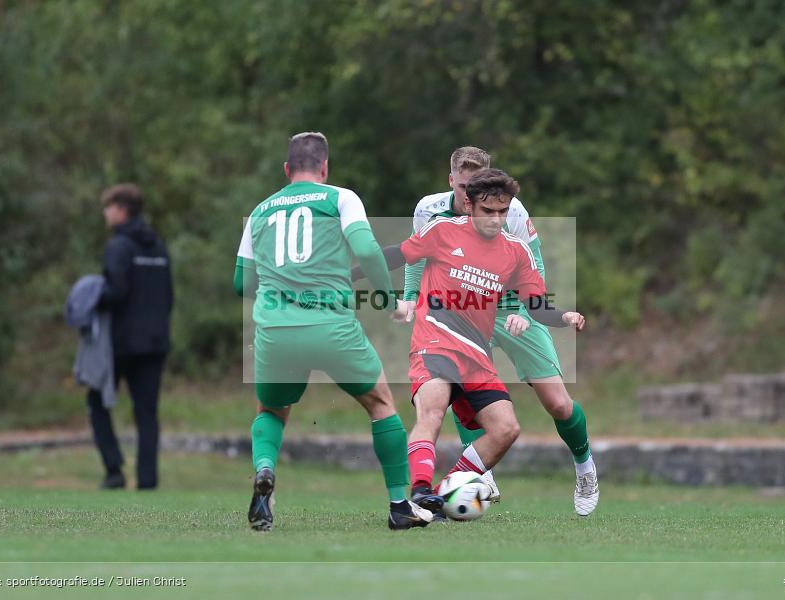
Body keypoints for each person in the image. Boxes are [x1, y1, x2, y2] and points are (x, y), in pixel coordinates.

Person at [354, 168, 586, 518]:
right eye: (488, 211)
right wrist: (346, 275)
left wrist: (564, 316)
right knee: (432, 408)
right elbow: (397, 255)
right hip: (435, 339)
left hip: (475, 354)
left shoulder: (516, 252)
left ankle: (437, 496)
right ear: (470, 205)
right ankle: (417, 490)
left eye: (502, 211)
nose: (495, 219)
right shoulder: (443, 230)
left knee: (506, 429)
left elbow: (537, 306)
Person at [233, 131, 433, 531]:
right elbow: (366, 249)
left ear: (287, 169)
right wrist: (391, 300)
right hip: (331, 326)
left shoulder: (260, 211)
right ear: (324, 167)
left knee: (271, 411)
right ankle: (399, 505)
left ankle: (266, 474)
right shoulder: (339, 197)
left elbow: (242, 283)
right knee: (380, 404)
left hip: (275, 331)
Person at [88, 183, 173, 490]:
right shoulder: (158, 246)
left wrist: (91, 297)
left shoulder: (118, 247)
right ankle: (148, 481)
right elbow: (169, 296)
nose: (105, 213)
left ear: (121, 209)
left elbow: (116, 292)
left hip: (121, 343)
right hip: (155, 343)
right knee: (147, 414)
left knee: (97, 402)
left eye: (108, 207)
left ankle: (114, 472)